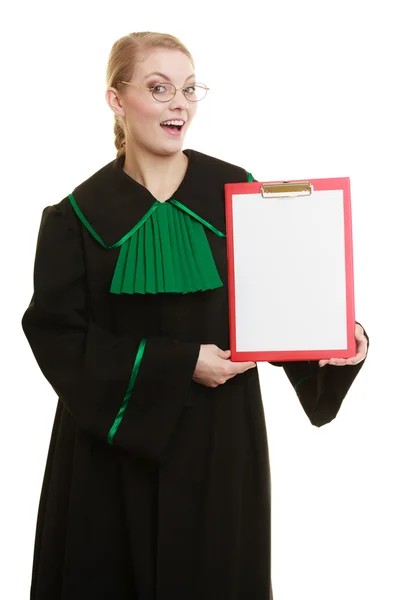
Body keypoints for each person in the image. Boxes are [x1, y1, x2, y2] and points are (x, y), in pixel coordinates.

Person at [22, 31, 368, 600]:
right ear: (116, 99)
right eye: (158, 88)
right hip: (108, 449)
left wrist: (339, 338)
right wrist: (179, 364)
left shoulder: (240, 193)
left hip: (220, 443)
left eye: (188, 89)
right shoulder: (72, 218)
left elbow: (282, 297)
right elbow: (56, 335)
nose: (178, 102)